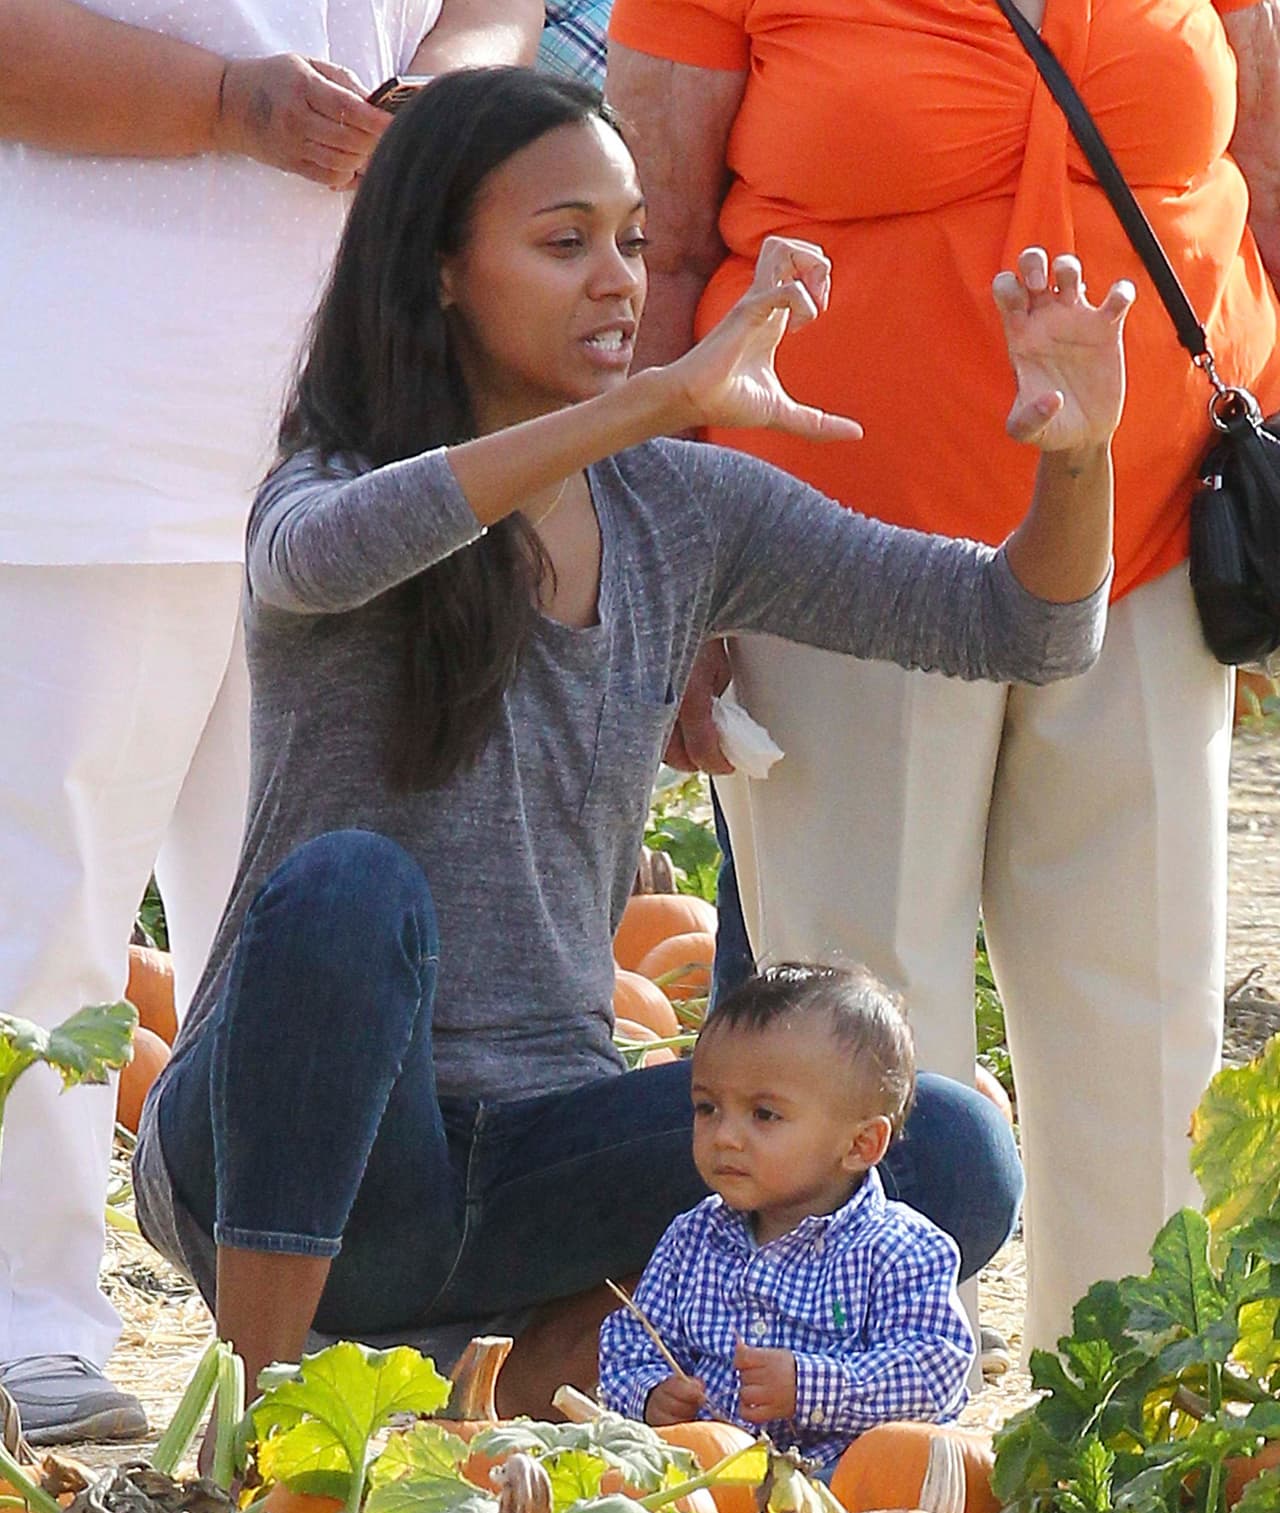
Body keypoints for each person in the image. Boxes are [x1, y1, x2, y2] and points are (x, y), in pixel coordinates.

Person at [129, 65, 1130, 1420]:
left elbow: (1022, 625)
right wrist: (652, 402)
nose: (617, 280)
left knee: (943, 1144)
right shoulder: (335, 477)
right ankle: (255, 1426)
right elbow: (313, 558)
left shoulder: (679, 509)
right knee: (347, 889)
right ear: (436, 270)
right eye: (565, 242)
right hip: (313, 1150)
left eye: (633, 242)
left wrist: (1079, 455)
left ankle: (488, 1386)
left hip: (546, 1149)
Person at [605, 0, 1280, 1355]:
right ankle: (875, 1430)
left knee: (1147, 1023)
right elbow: (658, 255)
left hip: (1145, 540)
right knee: (860, 1022)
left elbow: (1258, 186)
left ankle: (1127, 1411)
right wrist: (665, 569)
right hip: (837, 550)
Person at [0, 0, 542, 1445]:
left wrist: (445, 89)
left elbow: (493, 11)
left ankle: (329, 1352)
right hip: (88, 425)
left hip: (356, 436)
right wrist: (234, 105)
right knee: (46, 906)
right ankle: (30, 1325)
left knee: (341, 929)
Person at [598, 965, 973, 1461]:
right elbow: (630, 1341)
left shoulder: (902, 1253)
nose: (724, 1136)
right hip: (710, 1480)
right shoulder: (692, 1240)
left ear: (862, 1144)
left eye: (764, 1115)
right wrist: (649, 1393)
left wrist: (811, 1388)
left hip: (843, 1483)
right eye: (707, 1108)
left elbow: (933, 1372)